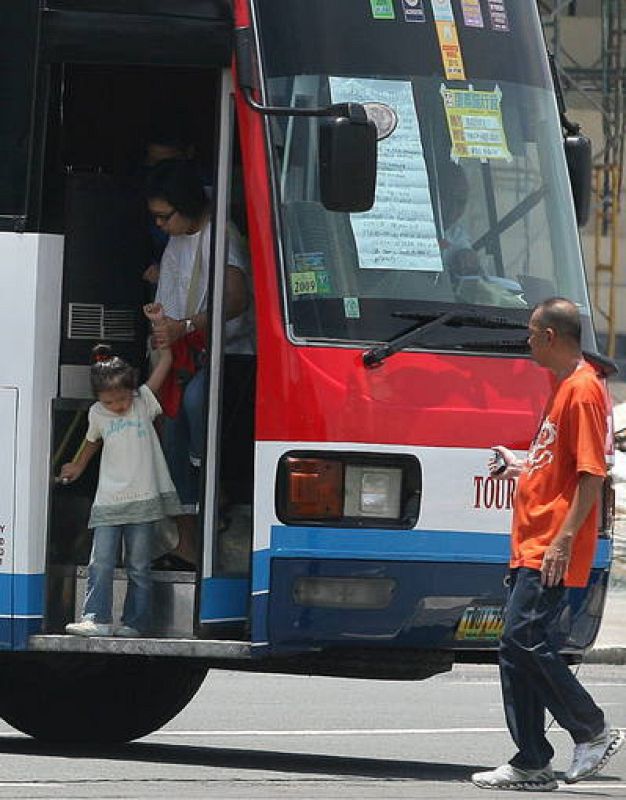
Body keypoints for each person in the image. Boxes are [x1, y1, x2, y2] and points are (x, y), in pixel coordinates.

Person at [472, 298, 624, 791]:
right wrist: (519, 466)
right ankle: (531, 761)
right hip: (532, 539)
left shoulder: (582, 390)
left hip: (550, 544)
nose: (528, 342)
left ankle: (591, 729)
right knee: (514, 648)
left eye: (532, 333)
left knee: (523, 638)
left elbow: (591, 475)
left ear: (552, 336)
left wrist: (561, 542)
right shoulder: (564, 388)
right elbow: (556, 464)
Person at [145, 159, 254, 567]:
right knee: (168, 422)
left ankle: (215, 485)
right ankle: (186, 539)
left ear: (187, 205)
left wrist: (186, 325)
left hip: (230, 356)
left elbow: (237, 298)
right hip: (187, 356)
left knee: (193, 405)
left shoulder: (221, 237)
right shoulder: (179, 237)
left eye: (164, 216)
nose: (159, 225)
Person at [61, 341, 182, 637]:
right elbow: (91, 444)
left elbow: (162, 372)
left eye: (123, 399)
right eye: (110, 402)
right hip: (109, 499)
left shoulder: (143, 402)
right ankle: (95, 618)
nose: (118, 406)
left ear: (133, 390)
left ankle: (136, 623)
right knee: (100, 562)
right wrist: (76, 467)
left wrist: (165, 350)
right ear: (99, 399)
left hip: (142, 499)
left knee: (139, 565)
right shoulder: (97, 414)